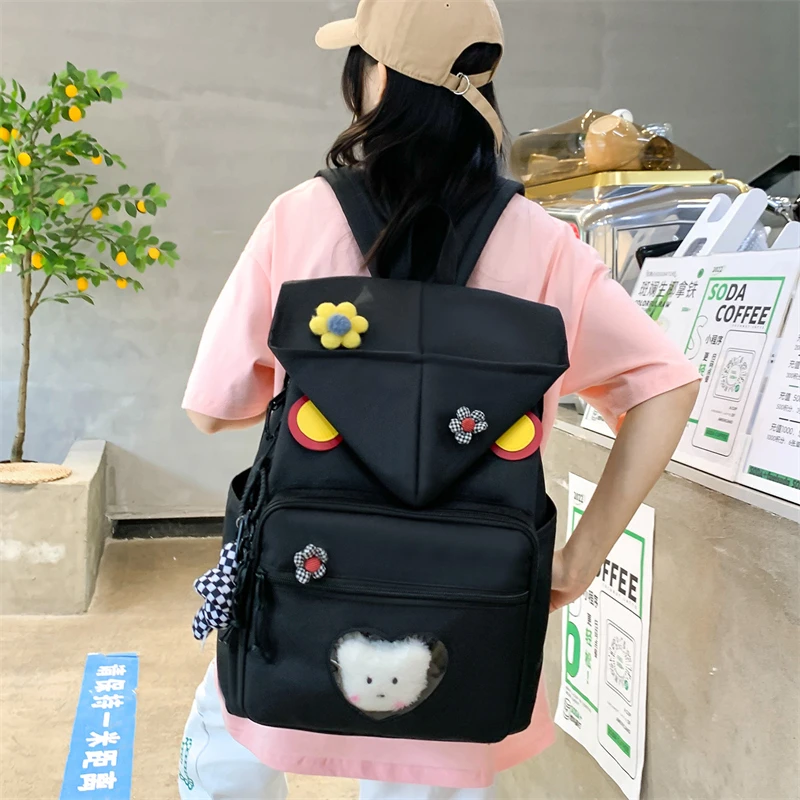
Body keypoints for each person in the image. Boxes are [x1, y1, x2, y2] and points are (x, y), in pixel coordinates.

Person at [180, 1, 700, 798]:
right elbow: (666, 384)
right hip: (463, 630)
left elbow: (212, 409)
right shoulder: (543, 242)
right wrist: (582, 555)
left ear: (378, 78)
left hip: (302, 602)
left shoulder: (301, 216)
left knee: (226, 750)